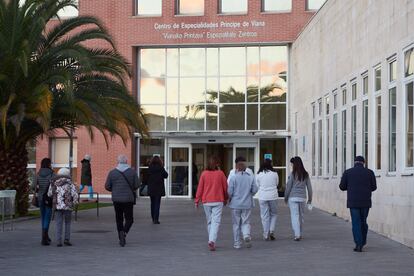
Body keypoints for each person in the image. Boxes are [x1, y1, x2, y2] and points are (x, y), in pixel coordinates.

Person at [339, 156, 377, 252]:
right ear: (363, 163)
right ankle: (362, 241)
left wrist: (351, 186)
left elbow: (342, 187)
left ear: (354, 162)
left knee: (356, 222)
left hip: (353, 202)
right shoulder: (370, 172)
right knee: (363, 221)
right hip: (365, 202)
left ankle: (358, 243)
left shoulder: (348, 172)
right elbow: (374, 187)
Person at [195, 156, 228, 251]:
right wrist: (226, 198)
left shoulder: (204, 174)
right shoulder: (221, 174)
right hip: (218, 200)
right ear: (217, 164)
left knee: (209, 221)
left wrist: (197, 200)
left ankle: (211, 240)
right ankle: (211, 240)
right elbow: (225, 187)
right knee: (216, 222)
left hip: (206, 201)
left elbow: (200, 188)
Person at [105, 155, 139, 247]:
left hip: (117, 199)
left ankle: (121, 236)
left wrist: (115, 190)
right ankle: (124, 233)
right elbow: (137, 184)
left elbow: (107, 186)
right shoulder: (132, 172)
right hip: (128, 199)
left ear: (118, 161)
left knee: (119, 219)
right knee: (129, 219)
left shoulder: (112, 173)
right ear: (127, 161)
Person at [228, 157, 258, 249]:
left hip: (235, 204)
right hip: (247, 203)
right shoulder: (250, 177)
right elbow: (255, 189)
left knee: (236, 224)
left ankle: (237, 243)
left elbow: (230, 191)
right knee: (246, 222)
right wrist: (250, 194)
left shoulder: (233, 177)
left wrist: (230, 198)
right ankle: (246, 235)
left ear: (236, 166)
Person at [48, 168, 79, 247]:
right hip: (68, 206)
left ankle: (58, 241)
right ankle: (67, 239)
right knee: (68, 223)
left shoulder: (54, 183)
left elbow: (50, 194)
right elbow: (75, 194)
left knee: (59, 223)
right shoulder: (70, 184)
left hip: (58, 206)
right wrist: (75, 202)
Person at [284, 156, 312, 241]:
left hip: (292, 197)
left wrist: (286, 197)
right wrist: (310, 199)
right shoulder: (305, 174)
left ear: (294, 164)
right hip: (302, 198)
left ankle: (297, 234)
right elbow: (309, 188)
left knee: (294, 216)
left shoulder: (292, 174)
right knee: (301, 216)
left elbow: (288, 187)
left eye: (292, 164)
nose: (291, 165)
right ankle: (299, 233)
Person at [256, 158, 279, 241]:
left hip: (262, 196)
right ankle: (271, 230)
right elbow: (277, 183)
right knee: (274, 214)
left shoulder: (259, 174)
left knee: (264, 216)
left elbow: (257, 185)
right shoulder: (274, 173)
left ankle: (266, 234)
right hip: (273, 196)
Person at [34, 158, 54, 246]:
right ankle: (44, 237)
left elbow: (33, 186)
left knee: (43, 217)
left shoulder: (38, 174)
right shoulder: (52, 174)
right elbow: (55, 185)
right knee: (47, 217)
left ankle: (45, 236)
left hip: (40, 198)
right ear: (49, 164)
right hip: (48, 198)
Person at [147, 156, 168, 224]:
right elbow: (166, 175)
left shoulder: (150, 168)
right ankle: (156, 219)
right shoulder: (161, 168)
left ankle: (153, 218)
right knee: (157, 204)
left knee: (152, 203)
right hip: (159, 188)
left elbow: (146, 177)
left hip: (151, 188)